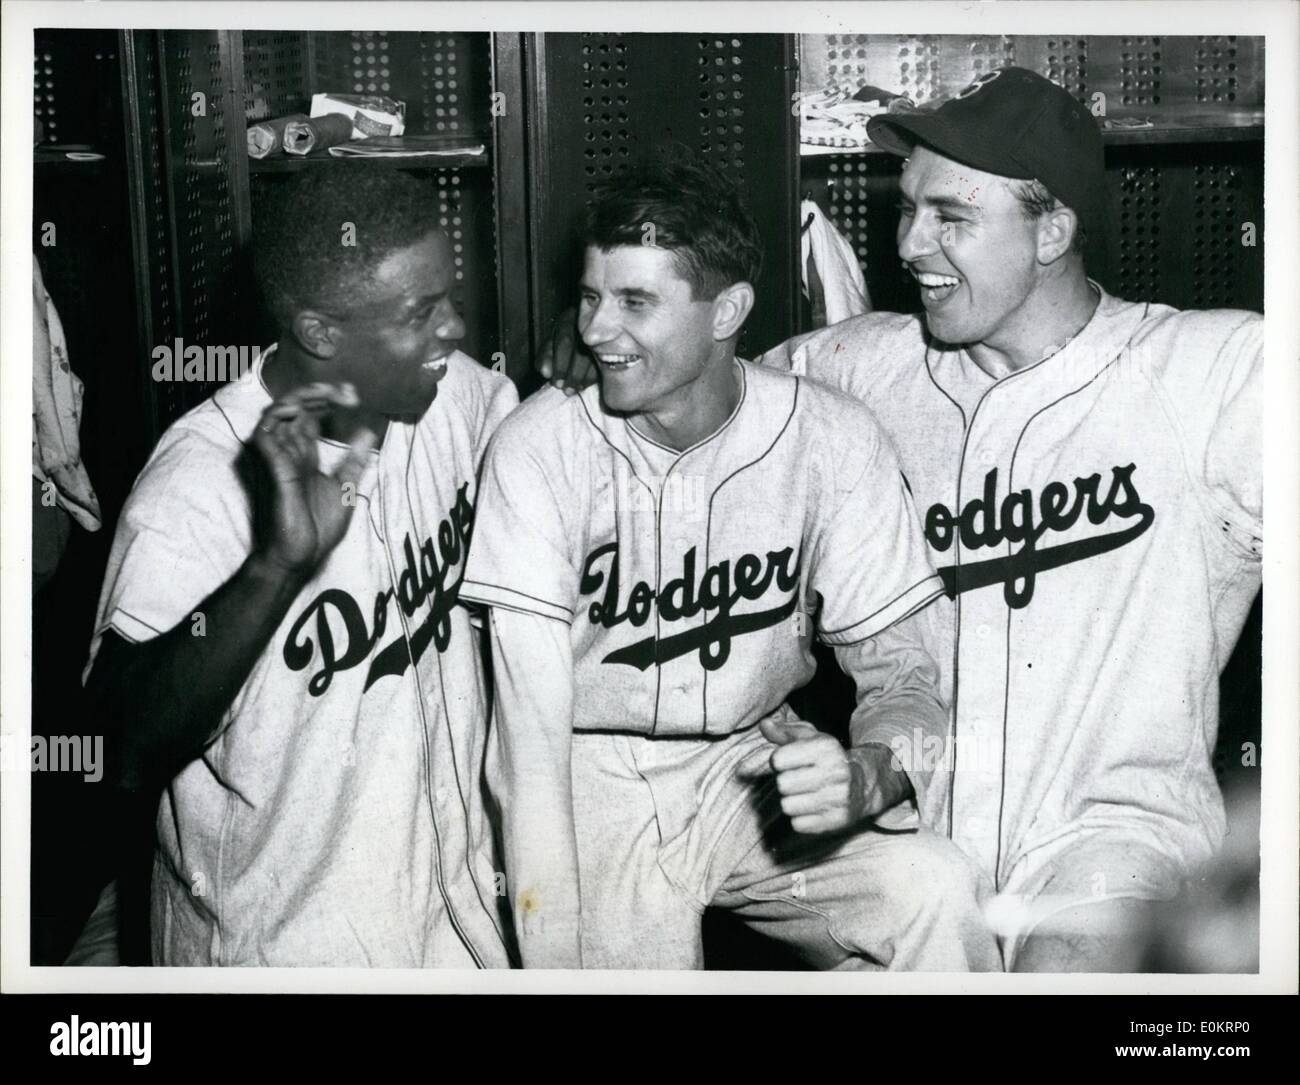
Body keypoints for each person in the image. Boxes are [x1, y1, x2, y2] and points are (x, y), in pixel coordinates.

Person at [756, 67, 1263, 971]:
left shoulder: (1201, 373)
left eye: (950, 217)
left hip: (1108, 851)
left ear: (1052, 230)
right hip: (912, 848)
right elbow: (706, 388)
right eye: (907, 208)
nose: (910, 243)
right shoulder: (862, 368)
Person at [463, 159, 999, 970]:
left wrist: (871, 775)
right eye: (589, 297)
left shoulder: (831, 435)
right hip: (586, 778)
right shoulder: (537, 448)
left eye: (636, 301)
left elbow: (905, 673)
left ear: (729, 313)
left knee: (933, 886)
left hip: (746, 763)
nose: (596, 330)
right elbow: (527, 756)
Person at [83, 165, 516, 967]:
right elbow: (115, 750)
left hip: (451, 925)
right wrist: (276, 566)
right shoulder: (197, 484)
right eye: (420, 313)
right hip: (281, 948)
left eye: (449, 296)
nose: (455, 327)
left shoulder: (464, 398)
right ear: (319, 332)